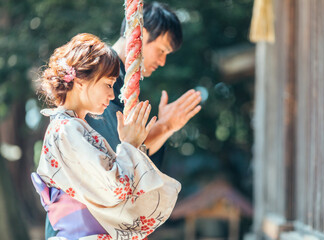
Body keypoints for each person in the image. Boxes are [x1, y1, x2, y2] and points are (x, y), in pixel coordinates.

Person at [31, 33, 181, 240]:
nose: (112, 95)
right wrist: (129, 145)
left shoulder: (70, 127)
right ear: (82, 81)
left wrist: (133, 146)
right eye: (108, 85)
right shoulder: (66, 129)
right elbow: (116, 189)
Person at [86, 1, 202, 160]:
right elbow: (118, 150)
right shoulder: (99, 74)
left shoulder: (125, 80)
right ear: (141, 33)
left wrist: (167, 127)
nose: (162, 62)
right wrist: (164, 126)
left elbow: (139, 162)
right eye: (162, 50)